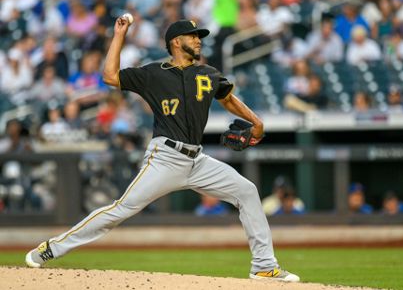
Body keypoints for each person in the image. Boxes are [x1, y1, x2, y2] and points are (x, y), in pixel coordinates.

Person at [25, 18, 300, 283]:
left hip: (198, 160)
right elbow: (109, 76)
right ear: (176, 42)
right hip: (165, 158)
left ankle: (264, 266)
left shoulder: (208, 73)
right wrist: (119, 34)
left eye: (199, 36)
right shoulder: (154, 73)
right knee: (121, 209)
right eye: (193, 36)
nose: (198, 40)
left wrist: (256, 121)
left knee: (247, 191)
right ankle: (51, 248)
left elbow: (227, 98)